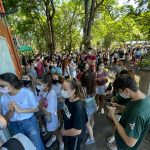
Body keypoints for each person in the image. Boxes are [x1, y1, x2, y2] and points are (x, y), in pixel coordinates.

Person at [0, 73, 45, 150]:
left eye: (2, 85)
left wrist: (20, 110)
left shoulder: (27, 93)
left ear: (12, 84)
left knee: (37, 145)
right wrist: (11, 111)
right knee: (21, 146)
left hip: (29, 123)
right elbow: (5, 118)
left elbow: (36, 108)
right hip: (14, 125)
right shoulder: (3, 98)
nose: (1, 88)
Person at [107, 74, 150, 150]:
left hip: (125, 147)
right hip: (121, 143)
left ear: (126, 90)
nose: (119, 94)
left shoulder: (138, 114)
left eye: (120, 92)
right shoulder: (141, 98)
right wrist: (117, 105)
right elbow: (130, 109)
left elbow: (130, 142)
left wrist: (113, 116)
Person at [61, 79, 88, 150]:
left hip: (75, 136)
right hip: (69, 132)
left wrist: (64, 133)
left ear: (73, 90)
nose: (62, 91)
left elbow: (77, 130)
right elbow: (66, 114)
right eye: (62, 88)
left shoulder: (79, 107)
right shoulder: (68, 99)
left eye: (65, 89)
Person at [39, 75, 64, 149]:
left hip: (51, 116)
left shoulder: (52, 93)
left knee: (55, 129)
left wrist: (41, 106)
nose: (40, 86)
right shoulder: (43, 91)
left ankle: (61, 143)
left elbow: (49, 110)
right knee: (51, 129)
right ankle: (53, 137)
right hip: (46, 115)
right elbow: (40, 99)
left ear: (47, 84)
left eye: (42, 84)